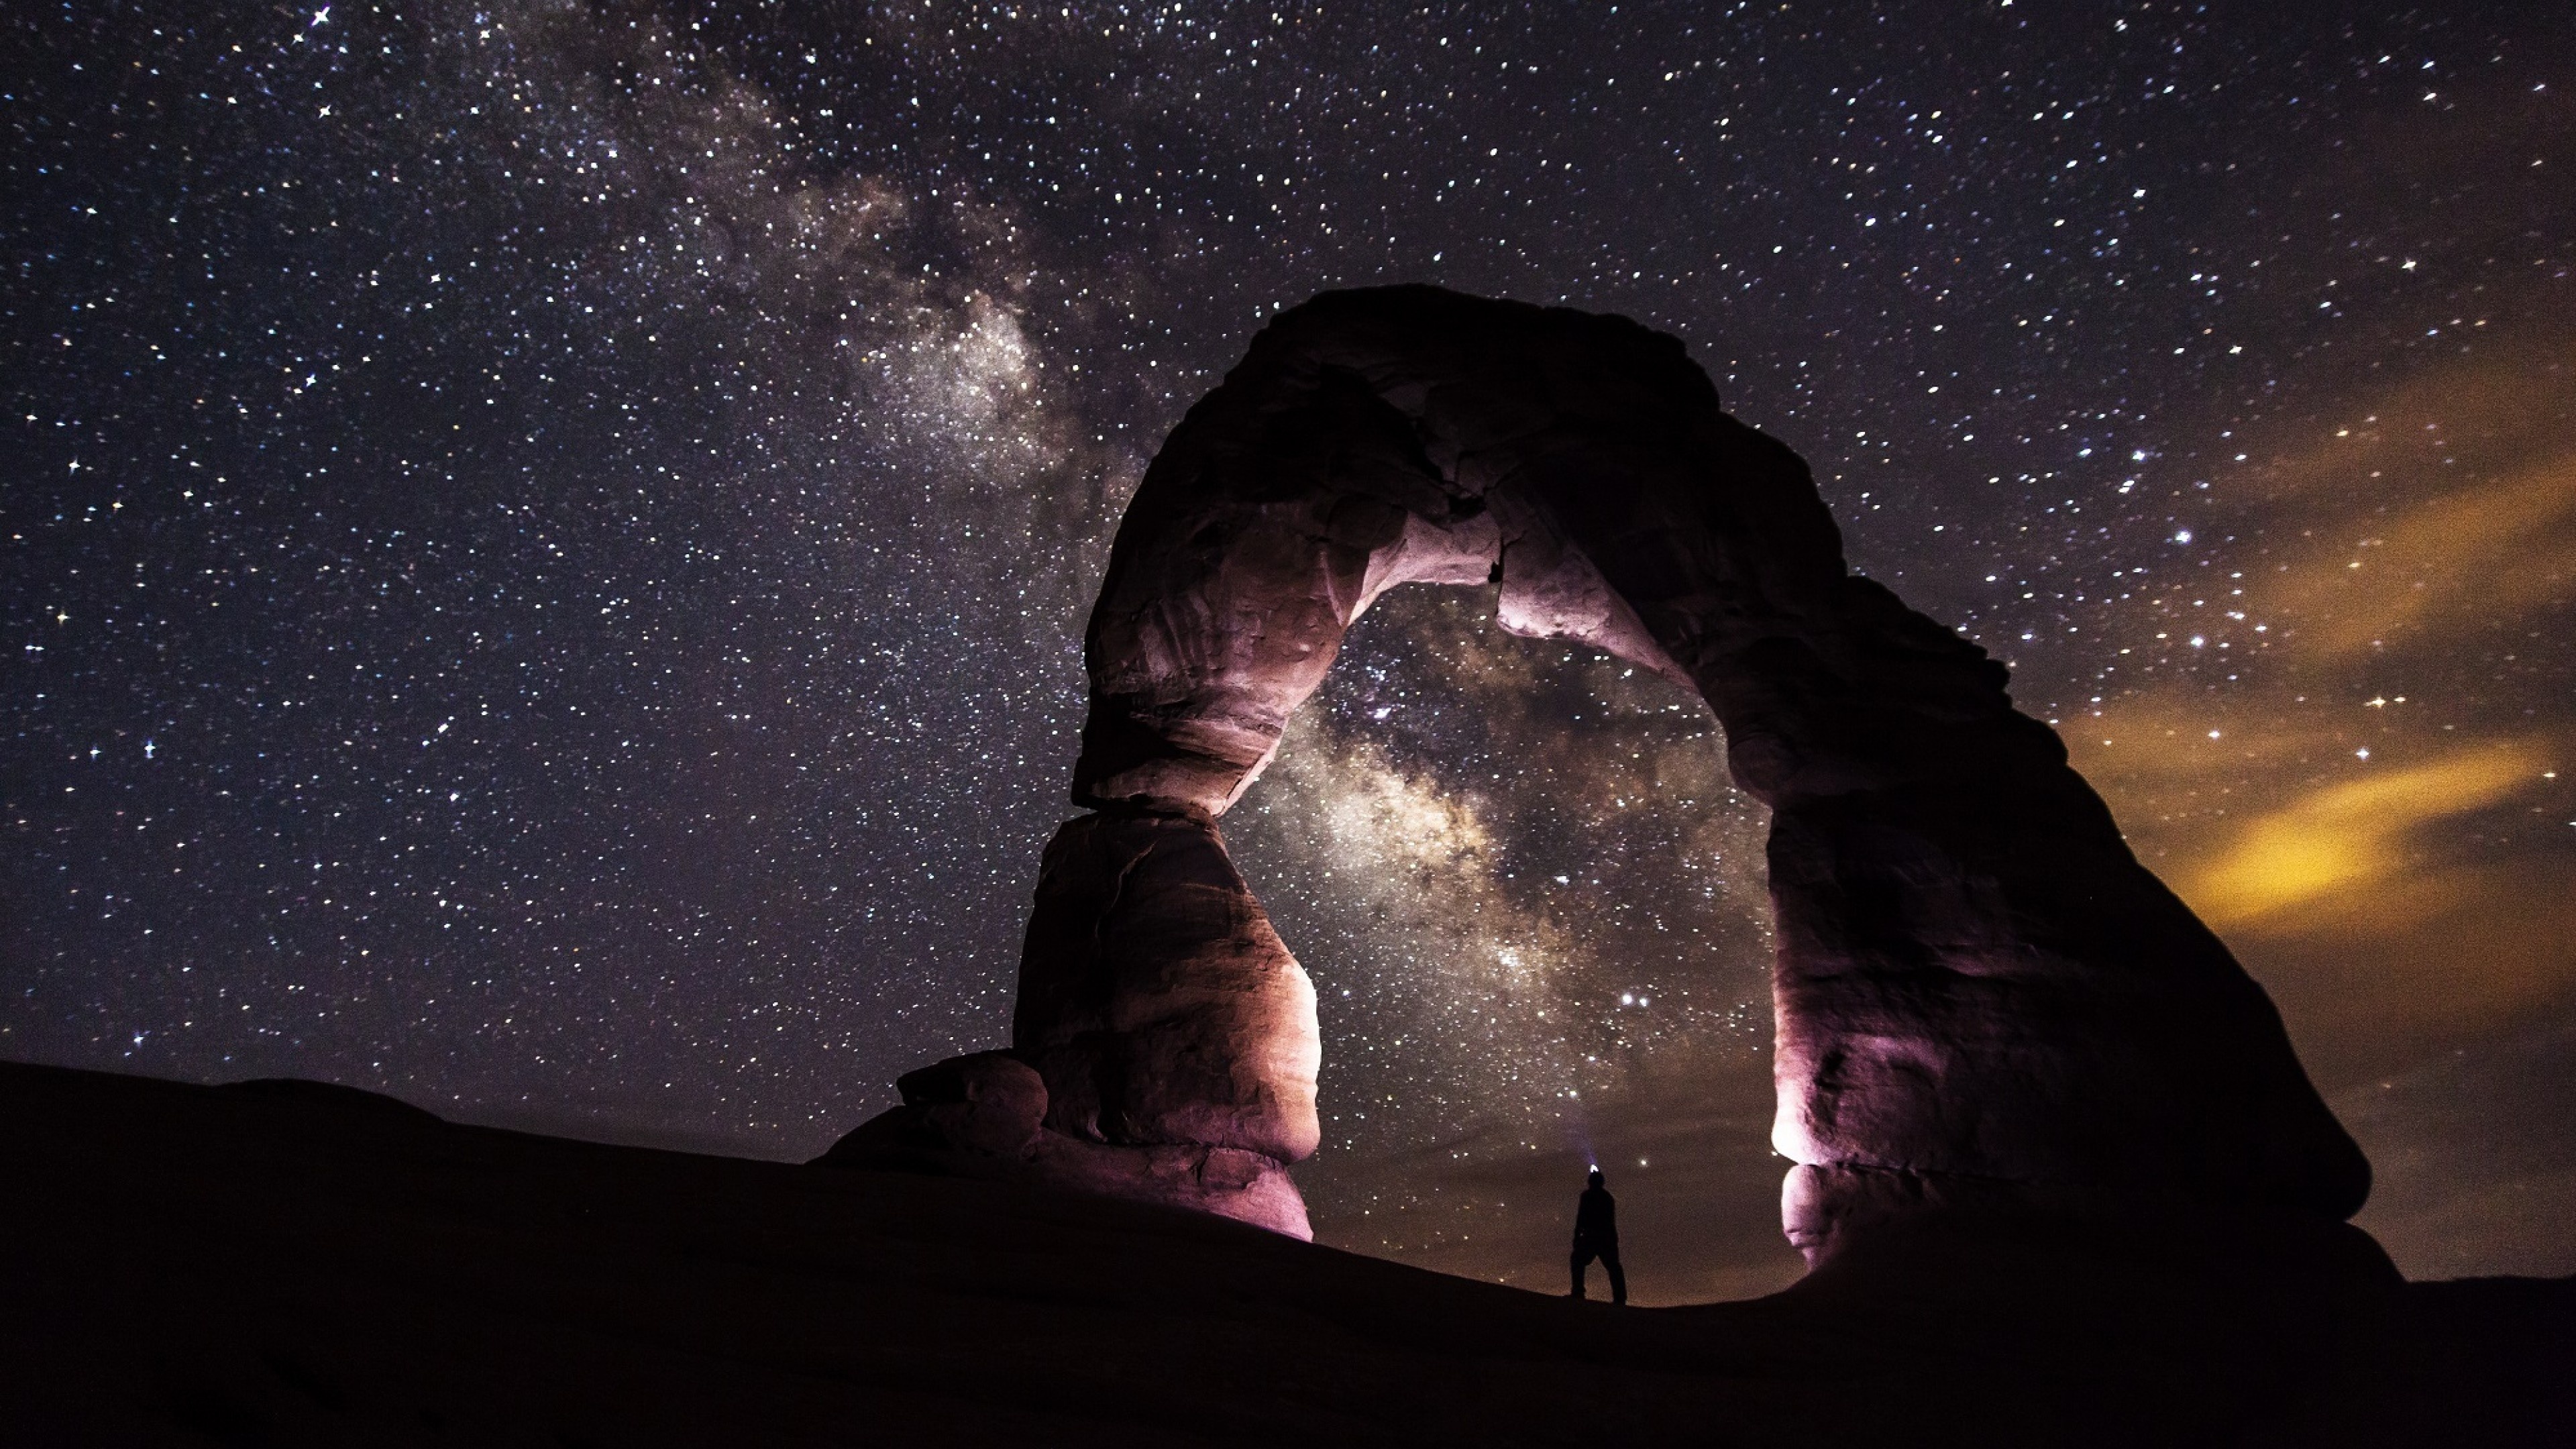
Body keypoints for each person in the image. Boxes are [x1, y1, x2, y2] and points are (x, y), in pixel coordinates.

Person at [1568, 1167, 1626, 1305]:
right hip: (1604, 1238)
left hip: (1595, 1237)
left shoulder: (1588, 1196)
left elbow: (1581, 1218)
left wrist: (1577, 1235)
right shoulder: (1607, 1197)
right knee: (1613, 1267)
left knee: (1578, 1260)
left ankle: (1578, 1292)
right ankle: (1620, 1298)